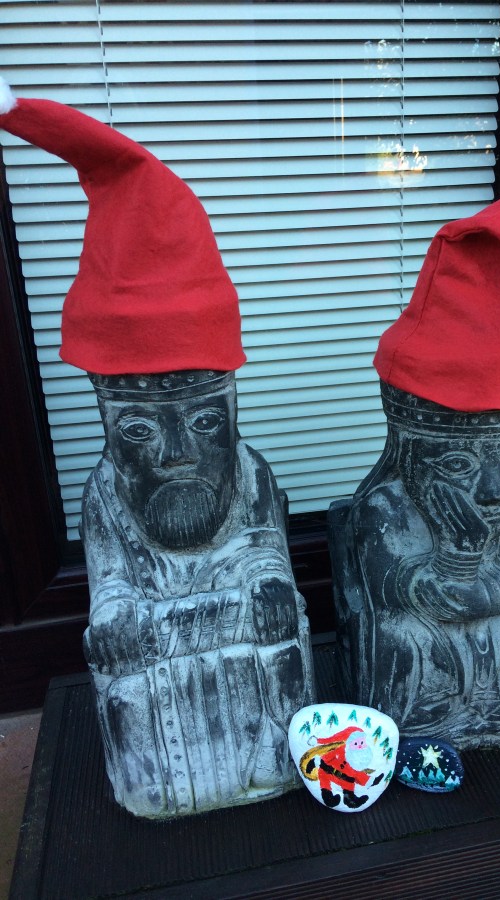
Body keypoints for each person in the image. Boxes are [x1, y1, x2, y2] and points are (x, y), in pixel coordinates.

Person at [0, 81, 315, 816]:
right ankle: (164, 789)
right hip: (160, 676)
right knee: (127, 681)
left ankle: (270, 766)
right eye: (140, 430)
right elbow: (112, 589)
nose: (178, 454)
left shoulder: (250, 473)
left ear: (231, 402)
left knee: (281, 641)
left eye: (205, 422)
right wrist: (123, 616)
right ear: (108, 420)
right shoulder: (107, 494)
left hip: (235, 653)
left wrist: (265, 588)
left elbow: (266, 557)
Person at [330, 170, 500, 750]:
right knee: (404, 636)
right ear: (409, 448)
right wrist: (461, 562)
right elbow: (400, 592)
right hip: (430, 692)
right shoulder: (387, 505)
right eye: (457, 464)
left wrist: (494, 589)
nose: (494, 489)